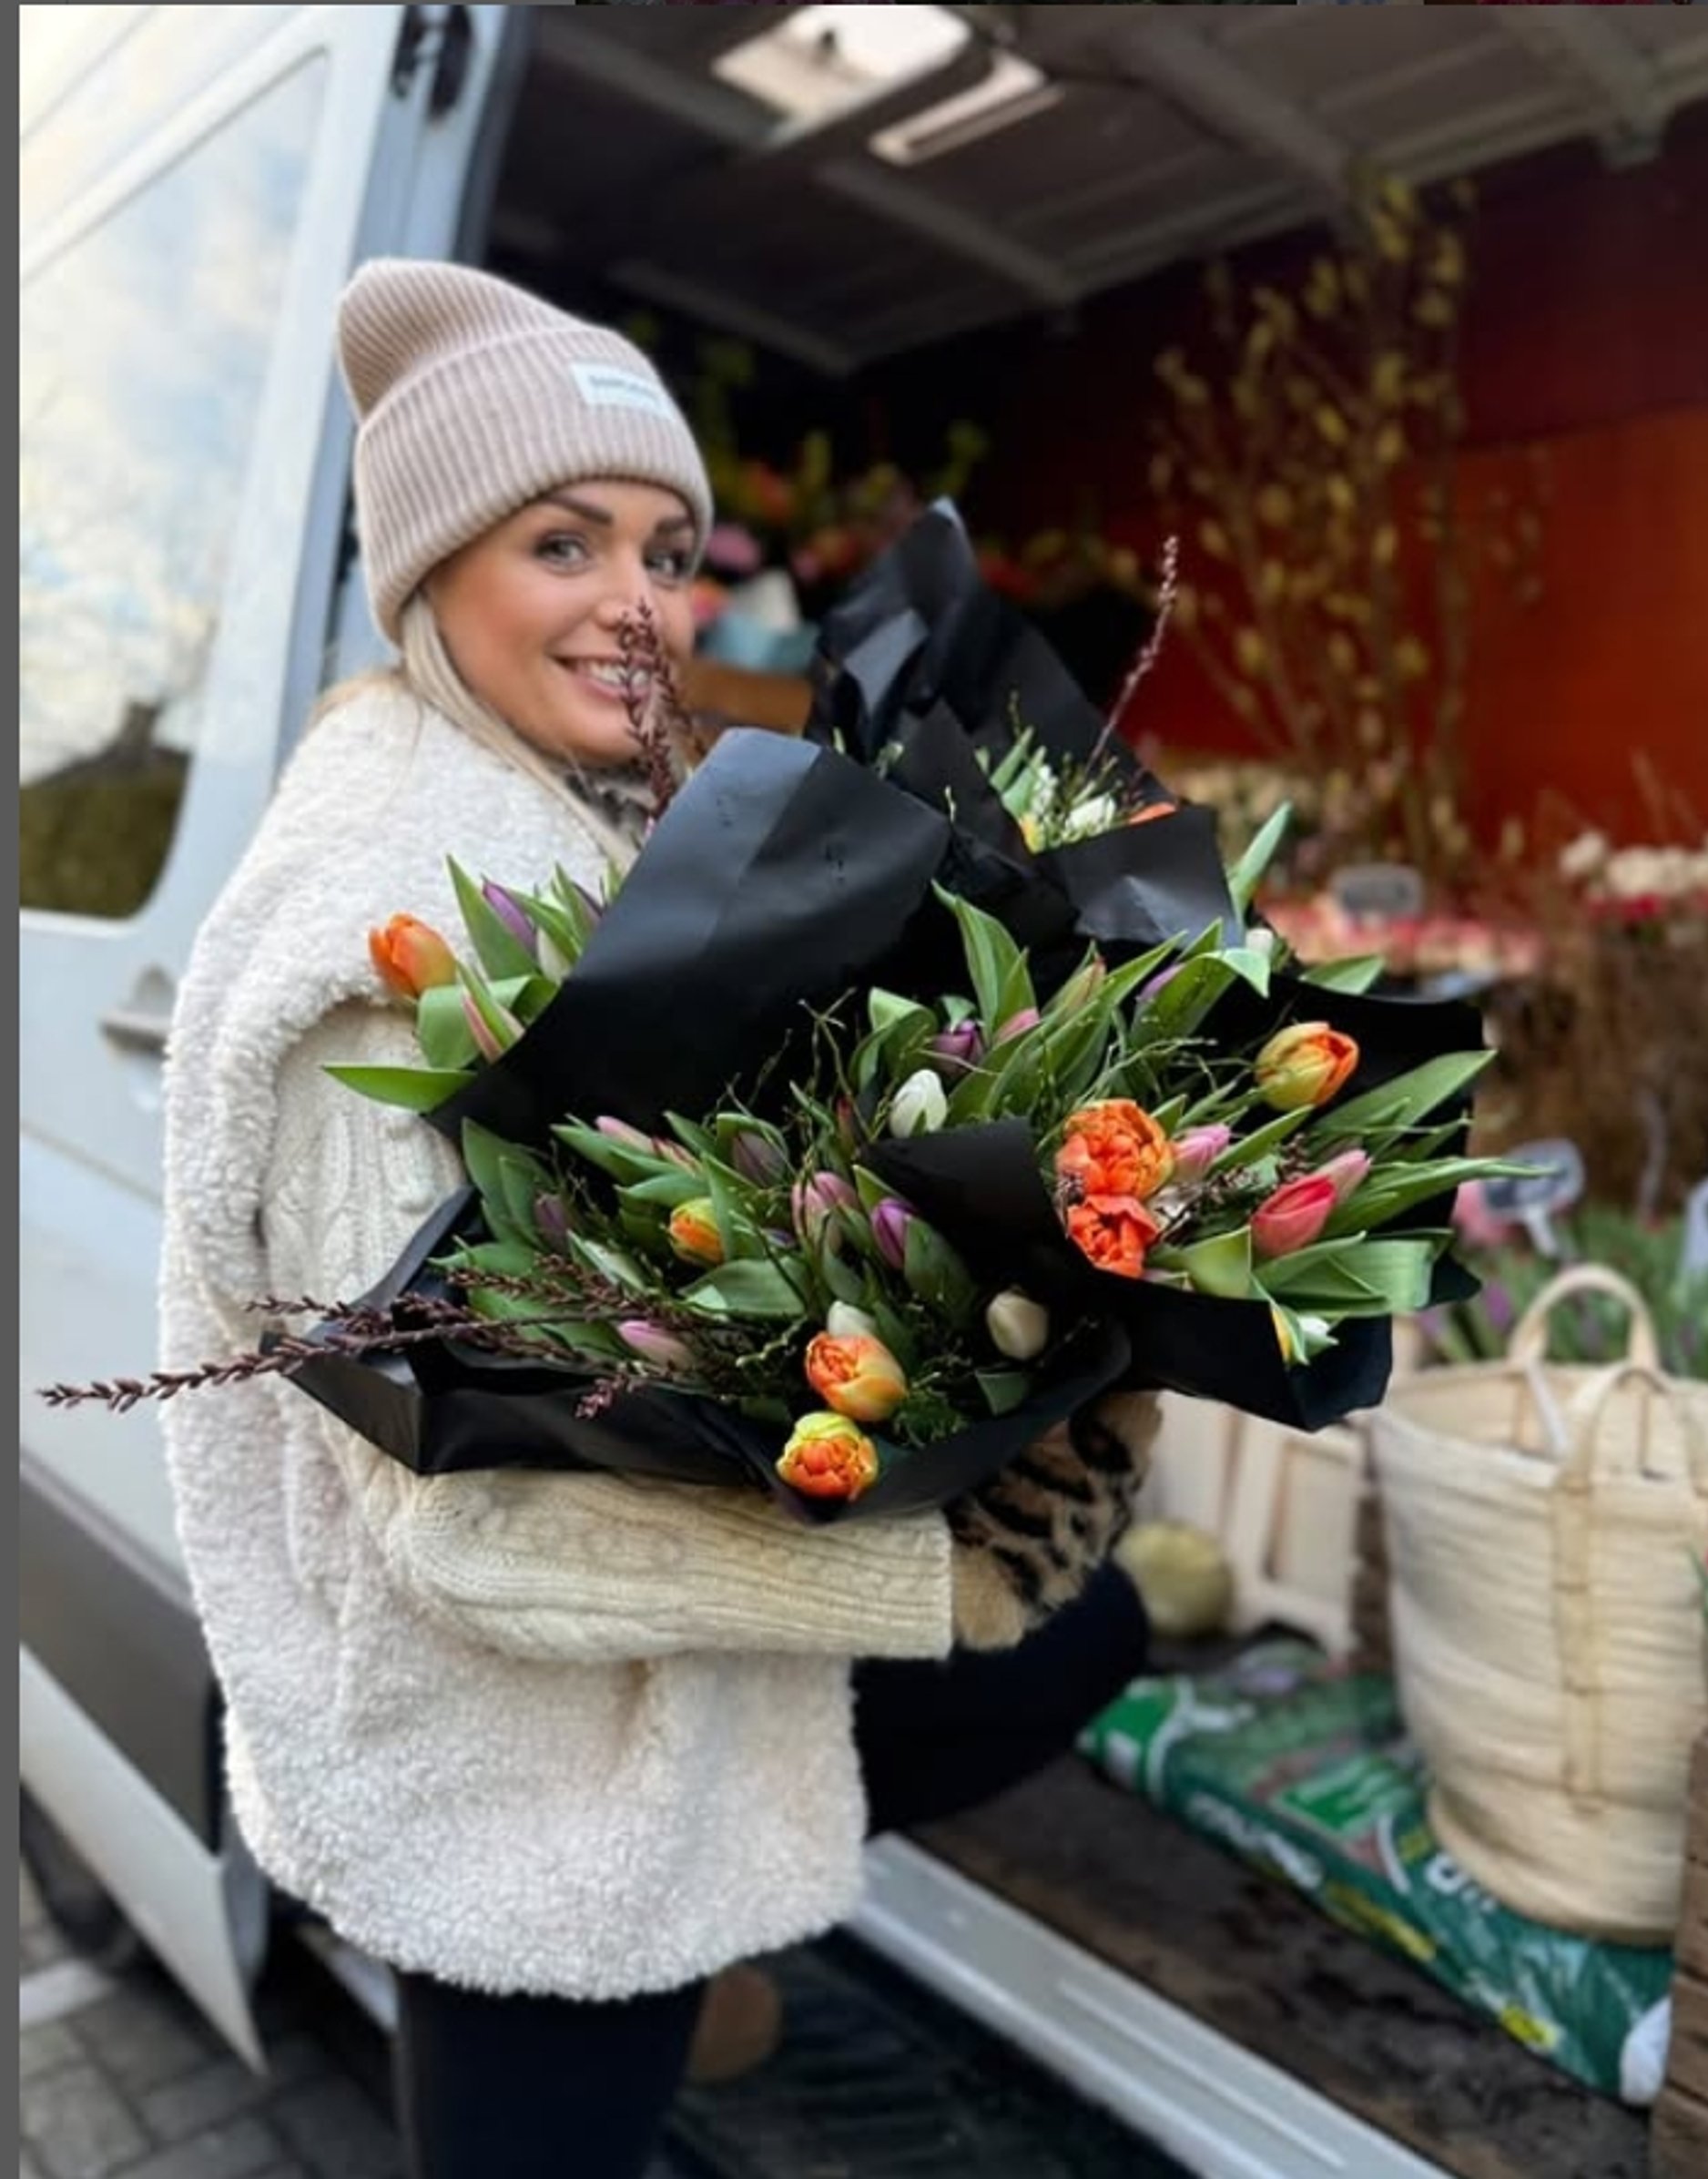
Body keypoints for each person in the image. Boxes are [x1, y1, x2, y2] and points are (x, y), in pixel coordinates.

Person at [158, 259, 1151, 2179]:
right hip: (526, 1798)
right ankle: (683, 1975)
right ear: (434, 571)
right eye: (563, 540)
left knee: (1083, 1640)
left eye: (668, 549)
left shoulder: (566, 832)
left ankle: (717, 1960)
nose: (640, 599)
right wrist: (939, 1567)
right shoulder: (392, 948)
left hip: (622, 1739)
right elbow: (485, 1522)